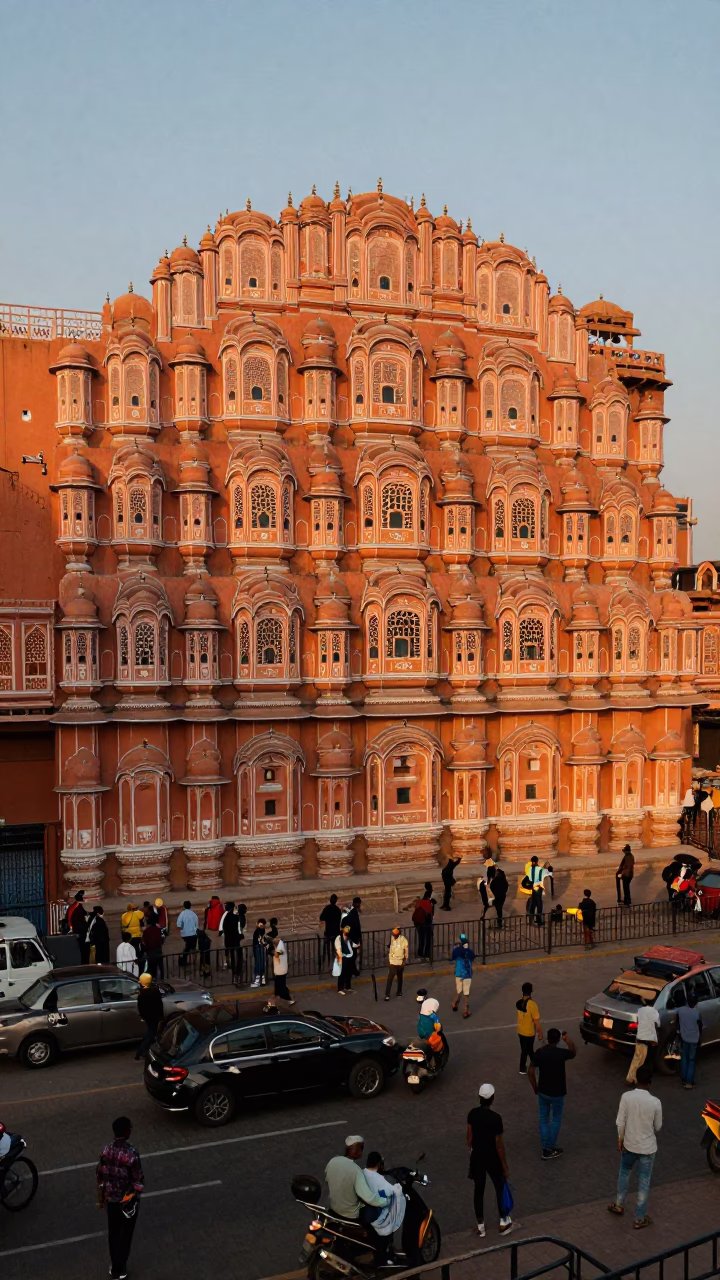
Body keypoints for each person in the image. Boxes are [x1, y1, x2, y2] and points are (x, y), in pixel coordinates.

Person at [608, 1064, 662, 1230]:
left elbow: (620, 1121)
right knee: (643, 1182)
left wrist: (620, 1139)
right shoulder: (655, 1102)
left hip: (629, 1145)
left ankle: (619, 1204)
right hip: (647, 1148)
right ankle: (639, 1218)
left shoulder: (626, 1097)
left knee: (624, 1173)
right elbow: (658, 1127)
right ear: (650, 1082)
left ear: (636, 1079)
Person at [96, 1116, 144, 1280]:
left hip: (111, 1201)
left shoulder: (106, 1150)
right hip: (127, 1202)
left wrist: (104, 1195)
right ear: (126, 1132)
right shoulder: (131, 1154)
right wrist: (136, 1193)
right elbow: (138, 1179)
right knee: (126, 1235)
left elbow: (100, 1174)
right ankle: (121, 1268)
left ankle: (115, 1266)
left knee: (114, 1234)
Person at [467, 1083, 513, 1238]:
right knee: (499, 1187)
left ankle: (481, 1226)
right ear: (492, 1098)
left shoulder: (472, 1114)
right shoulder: (496, 1118)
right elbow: (499, 1144)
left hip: (477, 1157)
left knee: (478, 1191)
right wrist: (505, 1165)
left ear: (480, 1098)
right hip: (492, 1158)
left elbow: (469, 1138)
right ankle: (503, 1222)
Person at [528, 1027, 576, 1159]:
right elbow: (573, 1051)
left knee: (543, 1118)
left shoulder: (540, 1052)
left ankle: (545, 1146)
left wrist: (535, 1087)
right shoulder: (561, 1053)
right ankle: (549, 1146)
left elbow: (530, 1071)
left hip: (543, 1090)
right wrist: (568, 1039)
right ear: (558, 1039)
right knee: (555, 1119)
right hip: (558, 1092)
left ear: (548, 1039)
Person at [325, 1136, 387, 1223]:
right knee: (380, 1213)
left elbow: (329, 1180)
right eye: (362, 1148)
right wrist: (384, 1201)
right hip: (350, 1215)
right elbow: (369, 1198)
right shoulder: (356, 1170)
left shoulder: (333, 1161)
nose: (362, 1150)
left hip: (334, 1209)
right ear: (356, 1151)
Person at [364, 1151, 406, 1247]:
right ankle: (385, 1251)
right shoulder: (379, 1179)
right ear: (379, 1164)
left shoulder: (363, 1173)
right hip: (370, 1213)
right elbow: (388, 1193)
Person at [627, 995, 660, 1084]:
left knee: (636, 1059)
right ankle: (638, 1079)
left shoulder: (640, 1010)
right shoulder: (654, 1011)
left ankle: (630, 1078)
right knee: (642, 1061)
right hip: (647, 1040)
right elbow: (658, 1023)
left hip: (639, 1037)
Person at [134, 972, 164, 1060]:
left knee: (150, 1032)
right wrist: (161, 1016)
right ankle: (141, 1050)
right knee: (151, 1033)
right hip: (154, 1016)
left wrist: (143, 1016)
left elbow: (140, 1008)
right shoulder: (154, 992)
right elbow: (159, 1005)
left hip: (147, 1017)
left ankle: (145, 1050)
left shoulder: (141, 995)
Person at [678, 989, 703, 1089]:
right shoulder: (697, 1013)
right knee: (692, 1060)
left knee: (684, 1058)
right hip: (694, 1039)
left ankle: (683, 1078)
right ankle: (689, 1082)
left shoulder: (681, 1011)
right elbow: (700, 1026)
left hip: (684, 1038)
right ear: (696, 1002)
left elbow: (678, 1025)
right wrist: (699, 1039)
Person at [516, 981, 543, 1074]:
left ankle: (523, 1067)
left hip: (520, 1031)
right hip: (529, 1032)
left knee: (525, 1049)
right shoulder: (533, 1005)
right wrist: (540, 1034)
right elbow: (536, 1021)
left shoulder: (519, 1002)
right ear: (531, 991)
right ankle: (533, 1064)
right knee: (529, 1050)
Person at [451, 932, 475, 1018]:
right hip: (467, 974)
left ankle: (455, 1003)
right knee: (466, 993)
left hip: (458, 973)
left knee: (459, 990)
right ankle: (465, 1010)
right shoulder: (470, 952)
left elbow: (452, 958)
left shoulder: (456, 951)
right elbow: (472, 959)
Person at [409, 886, 435, 960]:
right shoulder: (428, 903)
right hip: (425, 923)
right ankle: (427, 955)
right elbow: (430, 915)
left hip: (417, 923)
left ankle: (420, 954)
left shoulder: (419, 902)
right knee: (428, 939)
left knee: (421, 939)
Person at [384, 926, 408, 1000]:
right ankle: (387, 994)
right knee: (390, 978)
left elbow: (406, 950)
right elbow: (389, 948)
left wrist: (405, 960)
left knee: (400, 977)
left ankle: (399, 991)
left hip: (400, 961)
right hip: (393, 962)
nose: (394, 936)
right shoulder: (391, 939)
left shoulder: (403, 940)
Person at [220, 902, 242, 976]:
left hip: (229, 939)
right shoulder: (235, 916)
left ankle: (233, 968)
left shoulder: (227, 916)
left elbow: (224, 928)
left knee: (232, 954)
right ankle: (238, 968)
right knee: (237, 953)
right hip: (235, 938)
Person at [320, 894, 342, 966]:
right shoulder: (338, 910)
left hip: (328, 932)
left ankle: (328, 962)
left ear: (330, 900)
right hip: (336, 933)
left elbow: (321, 917)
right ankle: (334, 962)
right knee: (335, 949)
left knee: (328, 949)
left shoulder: (327, 908)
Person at [524, 857, 546, 927]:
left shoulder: (530, 869)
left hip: (533, 888)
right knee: (539, 904)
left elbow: (530, 879)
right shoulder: (539, 869)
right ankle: (539, 920)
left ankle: (531, 920)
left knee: (533, 904)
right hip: (538, 888)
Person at [140, 916, 164, 980]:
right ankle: (162, 978)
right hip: (158, 949)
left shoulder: (146, 931)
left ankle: (153, 978)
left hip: (150, 951)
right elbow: (162, 938)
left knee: (152, 966)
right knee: (160, 965)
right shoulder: (158, 929)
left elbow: (144, 941)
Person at [68, 890, 89, 963]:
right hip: (81, 932)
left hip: (78, 930)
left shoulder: (75, 906)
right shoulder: (77, 908)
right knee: (83, 950)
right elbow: (80, 921)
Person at [342, 897, 363, 972]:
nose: (360, 905)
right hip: (353, 938)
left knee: (354, 955)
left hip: (353, 937)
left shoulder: (354, 911)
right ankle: (352, 970)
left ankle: (353, 969)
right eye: (359, 903)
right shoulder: (352, 912)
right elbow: (351, 924)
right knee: (353, 955)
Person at [272, 933, 294, 1003]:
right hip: (279, 970)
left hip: (281, 971)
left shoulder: (281, 947)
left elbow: (278, 953)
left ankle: (288, 999)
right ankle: (278, 998)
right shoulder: (279, 946)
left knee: (281, 986)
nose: (274, 941)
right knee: (278, 986)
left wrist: (272, 952)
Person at [177, 900, 198, 969]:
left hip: (185, 934)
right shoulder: (194, 914)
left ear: (184, 906)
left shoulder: (182, 914)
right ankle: (194, 961)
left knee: (187, 947)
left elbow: (179, 925)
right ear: (190, 906)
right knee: (193, 948)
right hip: (193, 934)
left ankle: (184, 960)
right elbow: (196, 925)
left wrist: (183, 928)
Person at [335, 924, 356, 995]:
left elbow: (352, 944)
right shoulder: (339, 938)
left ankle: (348, 987)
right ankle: (340, 988)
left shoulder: (348, 938)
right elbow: (338, 947)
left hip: (349, 957)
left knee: (349, 972)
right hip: (343, 957)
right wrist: (340, 955)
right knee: (342, 973)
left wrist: (357, 945)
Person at [251, 917, 268, 988]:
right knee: (261, 963)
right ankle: (263, 980)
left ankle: (257, 981)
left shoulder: (257, 930)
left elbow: (259, 940)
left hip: (257, 947)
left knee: (258, 963)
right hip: (261, 948)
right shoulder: (262, 930)